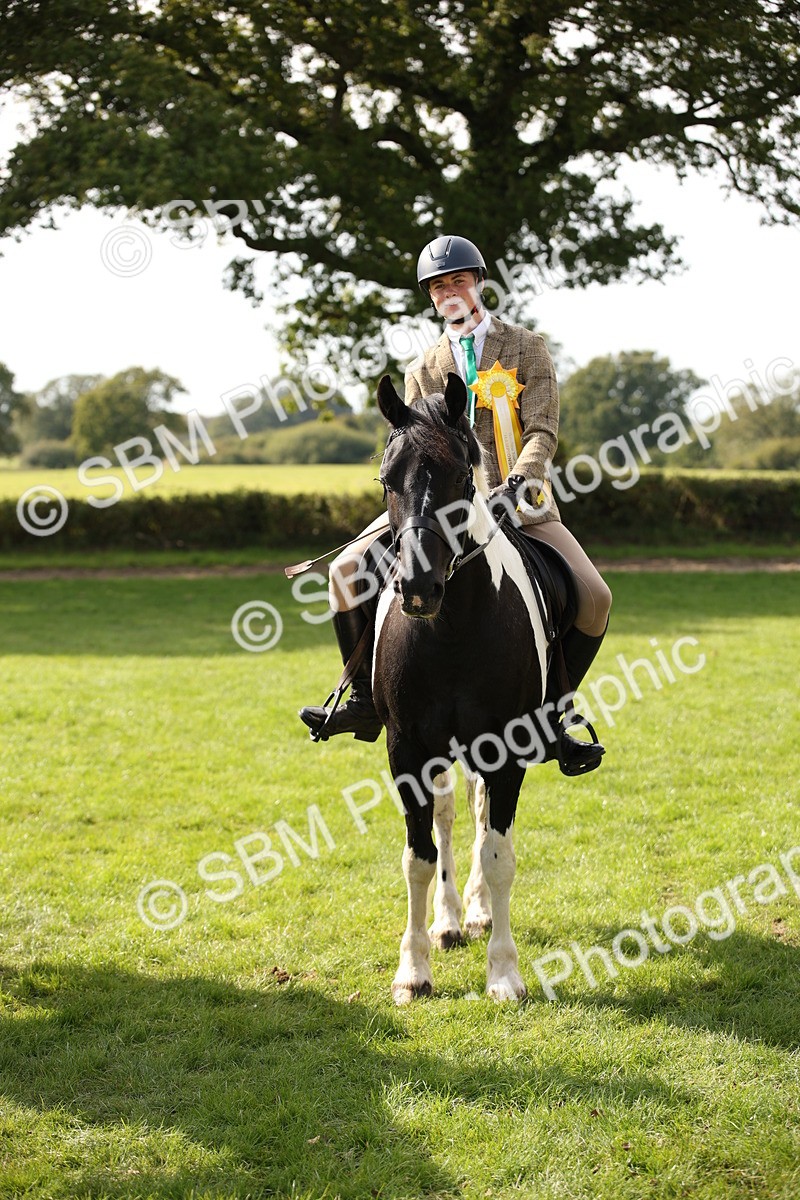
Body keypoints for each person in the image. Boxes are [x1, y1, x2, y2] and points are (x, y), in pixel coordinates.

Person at [300, 234, 612, 775]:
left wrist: (518, 481)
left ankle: (552, 718)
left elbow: (543, 428)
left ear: (479, 284)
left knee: (595, 598)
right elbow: (419, 447)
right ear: (432, 297)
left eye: (459, 281)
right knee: (345, 572)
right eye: (440, 286)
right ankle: (364, 703)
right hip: (438, 506)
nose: (451, 292)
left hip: (521, 502)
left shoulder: (527, 348)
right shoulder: (424, 367)